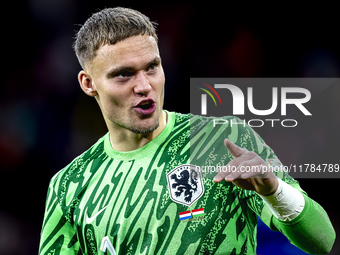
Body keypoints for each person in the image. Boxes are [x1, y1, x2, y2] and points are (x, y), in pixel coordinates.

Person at [38, 7, 335, 255]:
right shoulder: (69, 186)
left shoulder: (223, 140)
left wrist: (275, 191)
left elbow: (323, 241)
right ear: (88, 83)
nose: (144, 86)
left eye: (152, 67)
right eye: (124, 74)